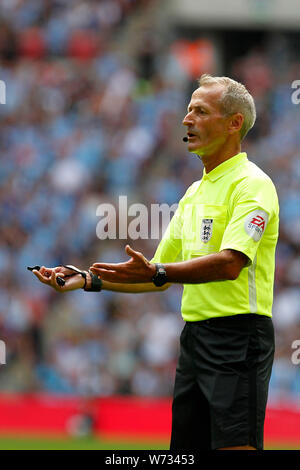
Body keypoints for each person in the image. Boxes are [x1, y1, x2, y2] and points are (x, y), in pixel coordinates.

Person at [32, 74, 279, 451]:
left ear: (234, 124)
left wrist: (159, 271)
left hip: (239, 337)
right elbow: (156, 274)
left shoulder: (252, 184)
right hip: (194, 339)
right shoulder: (194, 192)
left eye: (200, 110)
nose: (187, 118)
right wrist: (86, 280)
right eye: (187, 109)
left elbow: (230, 263)